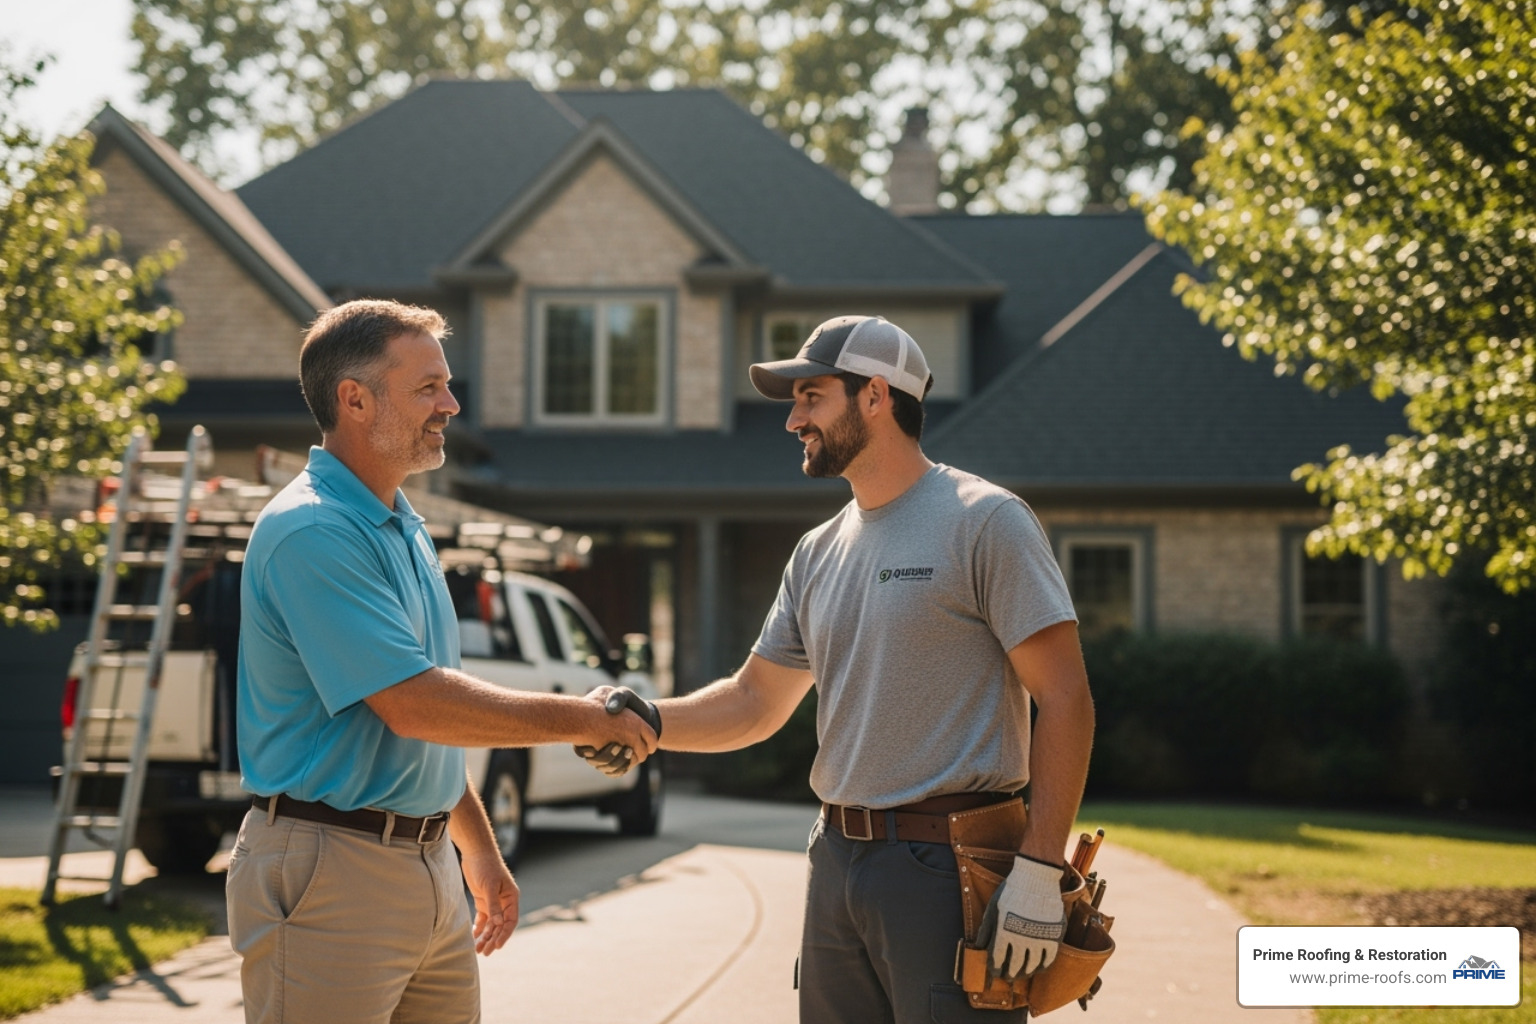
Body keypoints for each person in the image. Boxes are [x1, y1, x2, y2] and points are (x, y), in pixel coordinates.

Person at [586, 315, 1095, 1023]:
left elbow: (1066, 697)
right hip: (837, 861)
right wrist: (650, 721)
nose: (794, 418)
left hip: (946, 868)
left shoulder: (985, 522)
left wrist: (1040, 870)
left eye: (812, 396)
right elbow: (755, 701)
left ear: (876, 397)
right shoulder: (817, 551)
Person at [228, 299, 657, 1024]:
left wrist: (476, 852)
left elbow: (424, 726)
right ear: (354, 400)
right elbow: (414, 702)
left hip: (426, 865)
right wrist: (583, 718)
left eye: (447, 385)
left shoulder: (404, 528)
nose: (452, 405)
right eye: (428, 387)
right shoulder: (312, 531)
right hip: (331, 866)